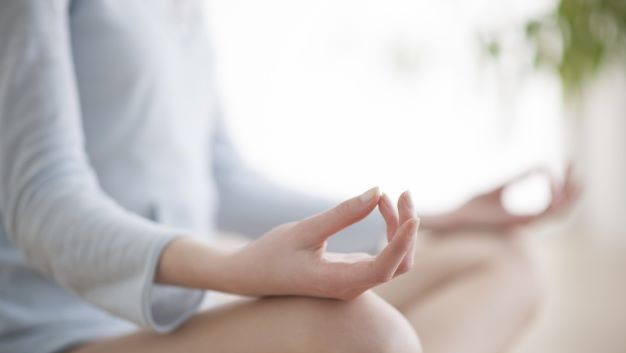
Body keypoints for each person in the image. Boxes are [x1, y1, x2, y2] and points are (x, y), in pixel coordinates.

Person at [0, 1, 577, 353]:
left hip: (168, 326)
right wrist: (231, 269)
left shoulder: (185, 11)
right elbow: (41, 202)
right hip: (61, 332)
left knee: (503, 261)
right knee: (368, 337)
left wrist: (437, 219)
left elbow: (219, 178)